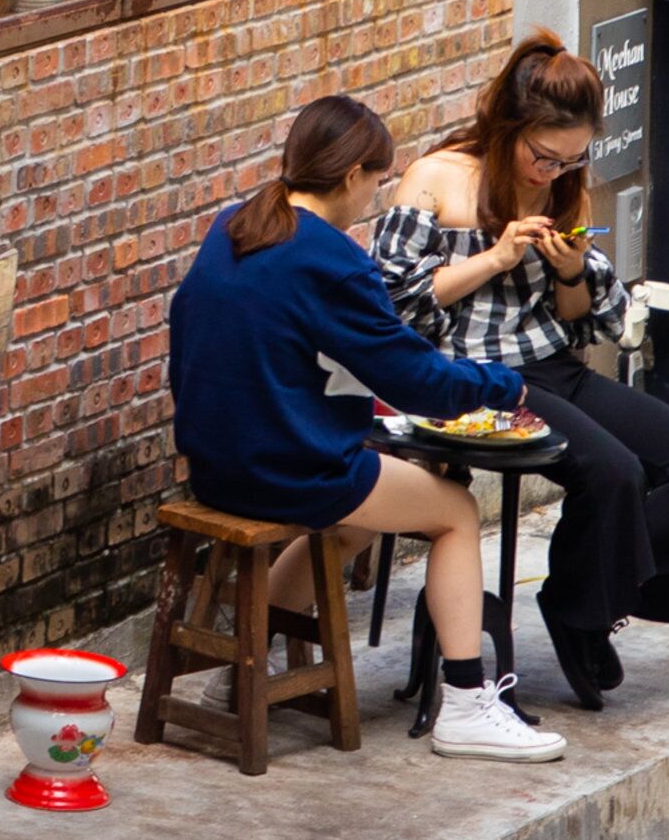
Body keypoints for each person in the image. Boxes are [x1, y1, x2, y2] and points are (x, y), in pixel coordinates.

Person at [167, 95, 571, 762]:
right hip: (285, 470)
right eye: (377, 182)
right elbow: (415, 381)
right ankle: (468, 705)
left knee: (357, 524)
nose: (374, 198)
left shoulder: (232, 225)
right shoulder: (329, 259)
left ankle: (233, 676)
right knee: (455, 513)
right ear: (353, 173)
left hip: (214, 463)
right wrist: (510, 386)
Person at [375, 32, 669, 705]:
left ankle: (582, 593)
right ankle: (584, 613)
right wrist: (496, 258)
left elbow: (585, 319)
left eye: (570, 159)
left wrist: (569, 272)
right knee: (613, 472)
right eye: (542, 155)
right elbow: (390, 304)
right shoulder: (437, 178)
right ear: (509, 127)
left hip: (554, 365)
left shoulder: (565, 190)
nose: (551, 172)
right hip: (471, 380)